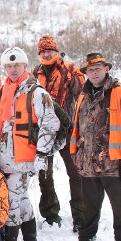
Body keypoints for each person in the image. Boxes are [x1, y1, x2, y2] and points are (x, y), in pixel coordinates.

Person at [68, 53, 121, 241]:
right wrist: (76, 155)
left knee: (120, 206)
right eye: (90, 70)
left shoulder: (120, 93)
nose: (94, 73)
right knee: (89, 207)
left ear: (106, 69)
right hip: (88, 164)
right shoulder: (83, 96)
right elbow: (77, 129)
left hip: (114, 163)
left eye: (97, 69)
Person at [0, 47, 59, 241]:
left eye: (17, 65)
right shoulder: (5, 91)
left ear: (25, 66)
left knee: (11, 200)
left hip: (23, 157)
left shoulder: (36, 92)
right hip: (5, 158)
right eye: (9, 66)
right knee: (21, 199)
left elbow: (50, 123)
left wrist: (42, 154)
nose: (13, 70)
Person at [32, 34, 85, 229]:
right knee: (44, 175)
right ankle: (50, 214)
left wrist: (80, 125)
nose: (46, 54)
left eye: (50, 51)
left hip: (69, 130)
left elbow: (83, 98)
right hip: (45, 131)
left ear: (57, 51)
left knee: (76, 173)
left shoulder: (70, 70)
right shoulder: (35, 72)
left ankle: (80, 215)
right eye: (43, 51)